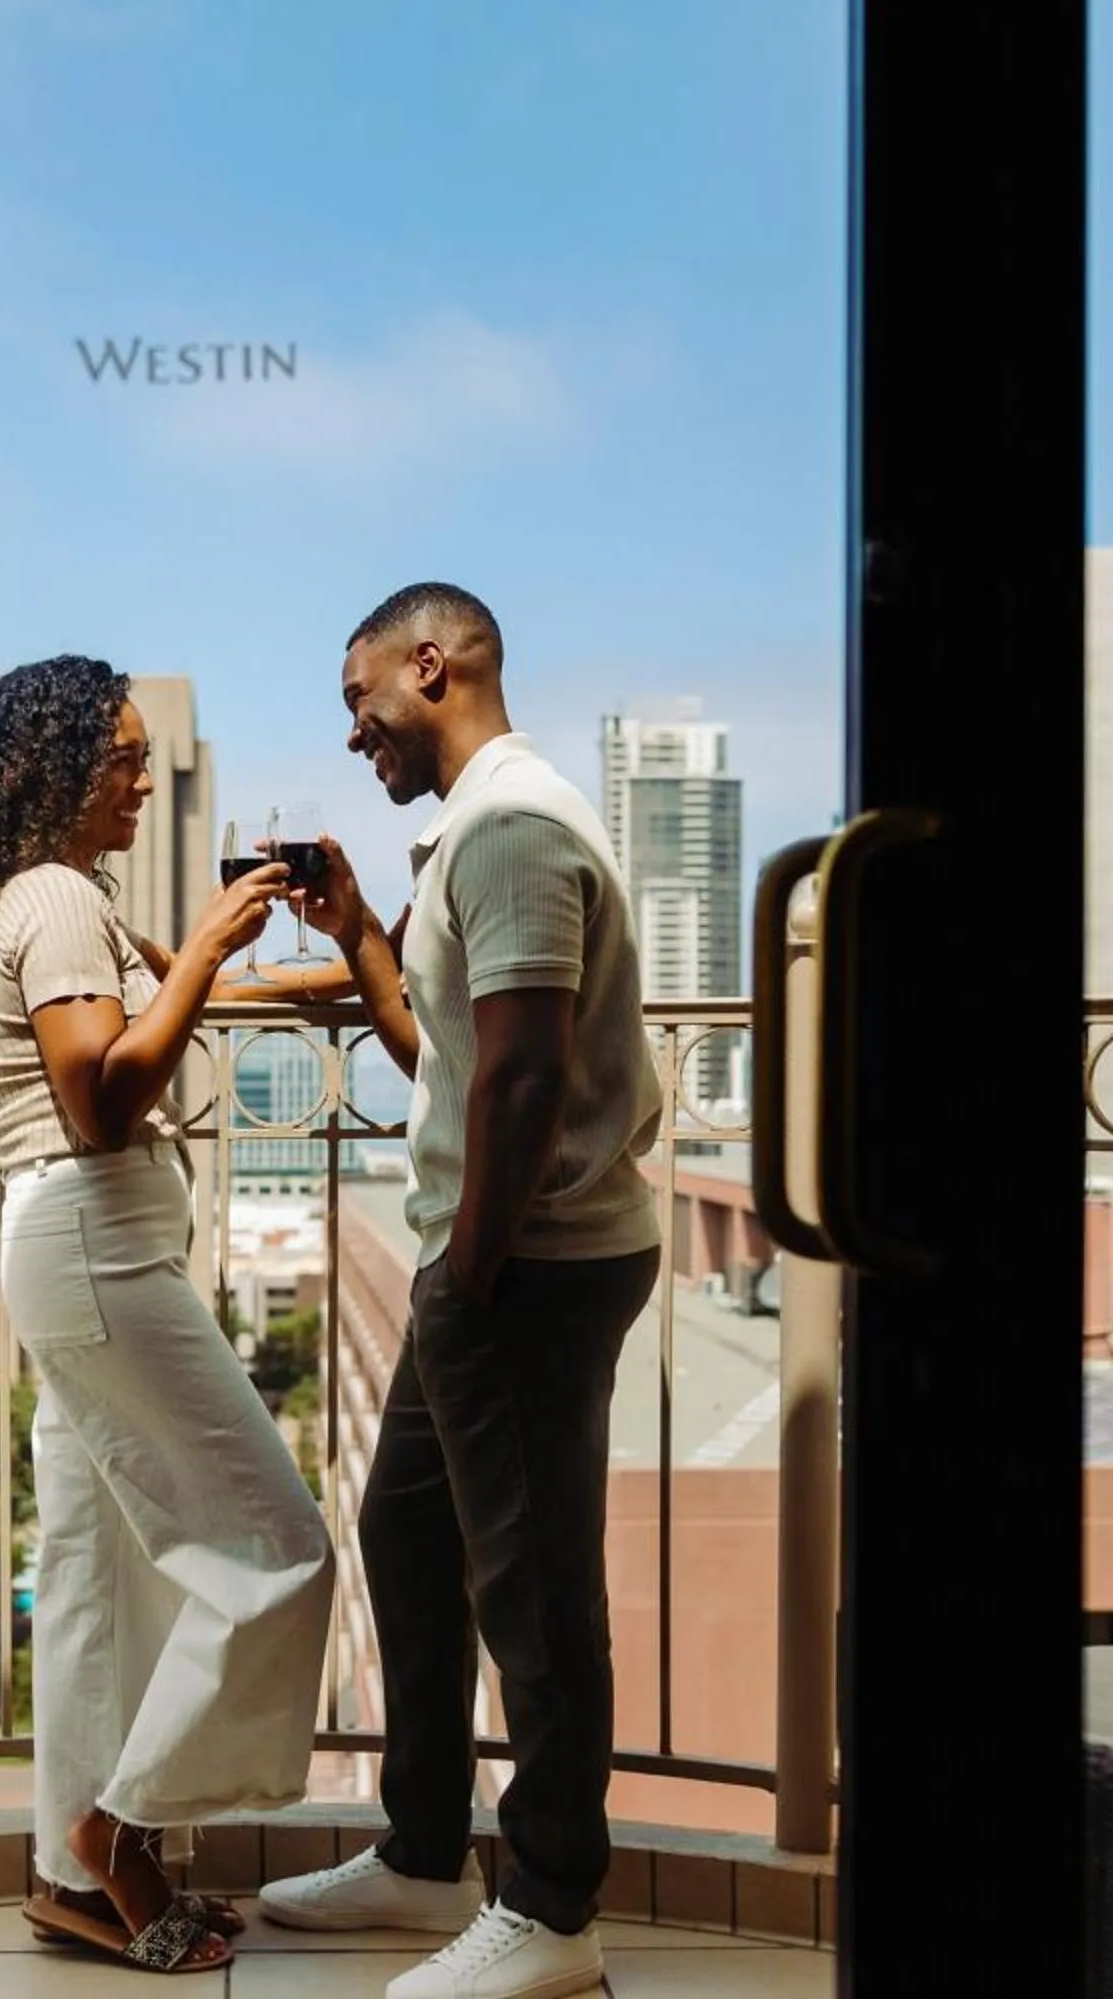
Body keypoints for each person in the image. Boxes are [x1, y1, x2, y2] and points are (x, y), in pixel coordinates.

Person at [255, 585, 664, 1999]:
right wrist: (363, 924)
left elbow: (531, 1074)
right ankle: (425, 1856)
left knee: (536, 1587)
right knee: (409, 1540)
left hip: (527, 1268)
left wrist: (475, 1271)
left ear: (432, 666)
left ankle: (553, 1911)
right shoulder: (473, 842)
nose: (355, 730)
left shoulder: (512, 832)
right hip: (486, 1260)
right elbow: (448, 1052)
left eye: (361, 697)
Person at [0, 654, 339, 1977]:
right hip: (93, 1246)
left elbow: (198, 1005)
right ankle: (120, 1831)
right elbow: (101, 1097)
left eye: (150, 757)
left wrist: (360, 957)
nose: (144, 780)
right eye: (123, 759)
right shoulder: (55, 903)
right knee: (278, 1546)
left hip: (74, 1248)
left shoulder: (55, 901)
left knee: (96, 1579)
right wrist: (207, 945)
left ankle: (68, 1881)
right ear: (50, 770)